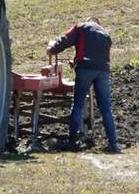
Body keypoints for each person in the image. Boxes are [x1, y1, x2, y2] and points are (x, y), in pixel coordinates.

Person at [47, 18, 121, 153]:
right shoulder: (105, 33)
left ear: (88, 21)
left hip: (86, 69)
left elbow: (65, 40)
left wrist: (52, 50)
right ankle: (114, 144)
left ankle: (73, 141)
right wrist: (76, 62)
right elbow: (99, 56)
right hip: (103, 71)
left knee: (78, 105)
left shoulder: (81, 27)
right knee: (106, 109)